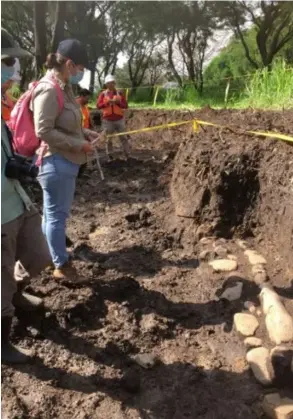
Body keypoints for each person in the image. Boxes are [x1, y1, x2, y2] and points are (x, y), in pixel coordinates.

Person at [1, 29, 52, 364]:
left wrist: (17, 165)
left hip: (17, 199)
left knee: (39, 255)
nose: (14, 70)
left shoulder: (1, 106)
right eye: (7, 61)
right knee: (0, 278)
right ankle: (2, 343)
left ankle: (17, 296)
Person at [31, 39, 99, 281]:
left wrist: (84, 133)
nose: (81, 73)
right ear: (69, 64)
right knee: (56, 217)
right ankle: (61, 266)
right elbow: (44, 130)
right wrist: (78, 144)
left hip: (65, 162)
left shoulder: (64, 87)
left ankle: (49, 257)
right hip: (56, 163)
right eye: (81, 68)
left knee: (52, 216)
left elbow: (65, 123)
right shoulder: (49, 89)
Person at [97, 74, 130, 161]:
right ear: (106, 84)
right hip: (107, 121)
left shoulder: (119, 93)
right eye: (108, 83)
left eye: (112, 83)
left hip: (119, 119)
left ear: (114, 83)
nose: (110, 85)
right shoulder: (103, 94)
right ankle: (110, 156)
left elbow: (126, 105)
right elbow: (98, 106)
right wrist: (107, 103)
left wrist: (118, 103)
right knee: (108, 139)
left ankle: (128, 155)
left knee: (123, 138)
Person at [76, 88, 92, 178]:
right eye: (87, 98)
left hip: (85, 133)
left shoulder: (85, 107)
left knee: (85, 155)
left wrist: (91, 132)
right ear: (82, 96)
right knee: (77, 155)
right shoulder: (74, 106)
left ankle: (80, 174)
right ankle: (75, 173)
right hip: (77, 134)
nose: (88, 100)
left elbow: (88, 120)